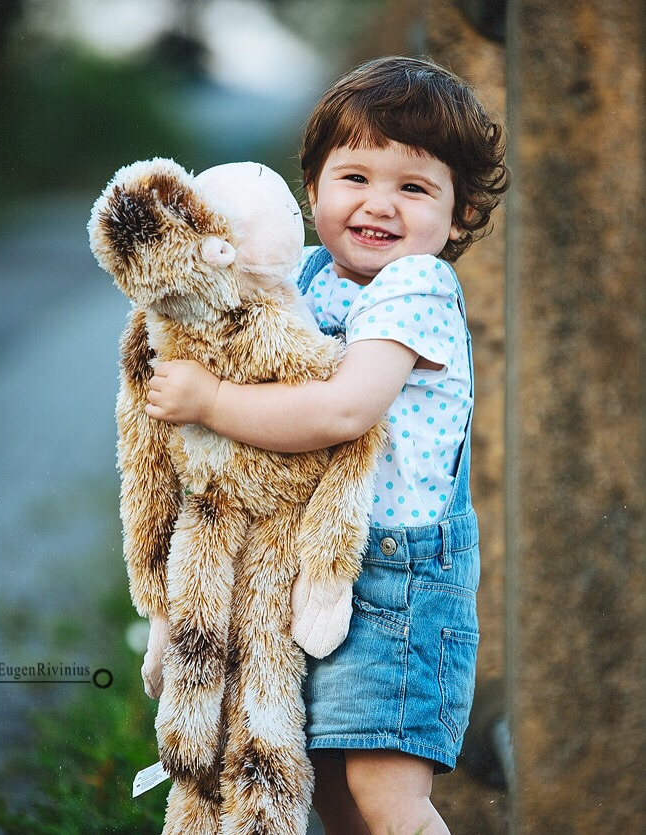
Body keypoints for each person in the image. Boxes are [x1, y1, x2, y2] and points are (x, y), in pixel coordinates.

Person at [145, 55, 509, 835]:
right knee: (331, 795)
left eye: (414, 187)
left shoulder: (417, 287)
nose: (379, 203)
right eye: (355, 177)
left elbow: (345, 409)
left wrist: (213, 401)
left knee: (387, 795)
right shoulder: (304, 279)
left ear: (460, 215)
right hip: (301, 570)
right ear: (311, 191)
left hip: (397, 582)